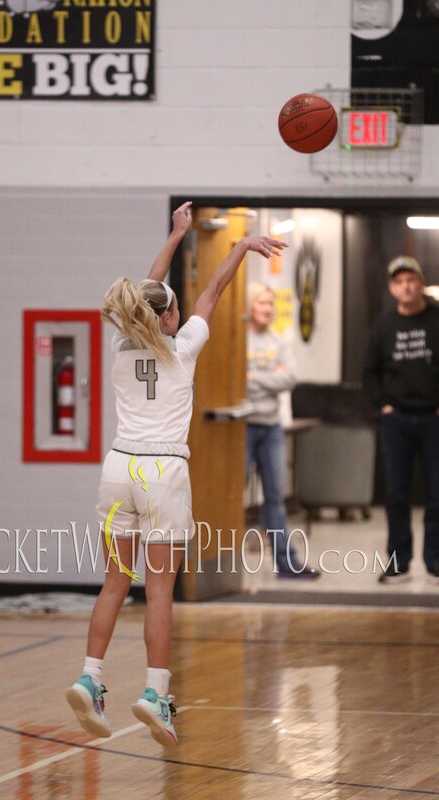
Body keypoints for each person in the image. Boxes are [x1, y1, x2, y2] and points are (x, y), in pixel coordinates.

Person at [66, 202, 287, 747]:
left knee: (115, 581)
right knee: (160, 590)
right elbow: (213, 290)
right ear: (169, 320)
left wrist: (175, 235)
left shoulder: (121, 346)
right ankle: (155, 693)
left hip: (118, 468)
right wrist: (240, 247)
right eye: (176, 310)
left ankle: (90, 677)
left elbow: (150, 291)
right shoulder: (183, 348)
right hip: (162, 472)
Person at [363, 256, 439, 585]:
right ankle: (399, 563)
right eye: (399, 282)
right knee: (396, 494)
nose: (406, 287)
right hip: (397, 419)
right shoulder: (384, 324)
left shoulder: (436, 318)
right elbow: (370, 372)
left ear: (420, 283)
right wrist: (383, 405)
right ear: (392, 288)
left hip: (433, 418)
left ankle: (435, 562)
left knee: (437, 493)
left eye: (411, 280)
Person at [245, 282, 319, 579]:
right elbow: (235, 381)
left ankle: (286, 563)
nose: (267, 308)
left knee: (275, 497)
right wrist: (269, 377)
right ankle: (215, 563)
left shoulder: (279, 340)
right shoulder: (239, 339)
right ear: (249, 305)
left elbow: (288, 379)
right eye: (261, 302)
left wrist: (253, 377)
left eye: (270, 303)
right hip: (242, 427)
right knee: (230, 495)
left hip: (271, 427)